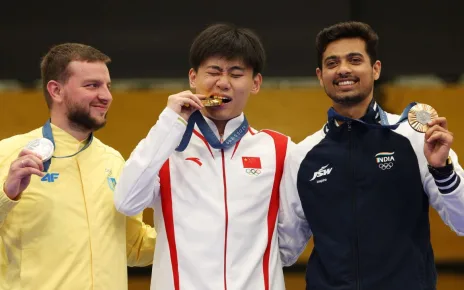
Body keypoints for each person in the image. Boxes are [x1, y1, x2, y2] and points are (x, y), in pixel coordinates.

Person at [279, 21, 464, 290]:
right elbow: (285, 249)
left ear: (375, 69)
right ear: (320, 76)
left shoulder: (416, 139)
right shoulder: (302, 155)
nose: (343, 69)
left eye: (354, 60)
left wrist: (443, 172)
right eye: (332, 63)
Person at [114, 23, 295, 290]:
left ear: (255, 83)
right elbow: (126, 202)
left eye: (236, 73)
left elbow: (291, 240)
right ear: (192, 78)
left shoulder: (279, 149)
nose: (222, 83)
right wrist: (168, 123)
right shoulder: (165, 147)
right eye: (213, 71)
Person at [0, 43, 156, 290]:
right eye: (92, 85)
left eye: (108, 86)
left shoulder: (114, 161)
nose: (106, 96)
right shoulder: (7, 154)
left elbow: (133, 246)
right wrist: (7, 195)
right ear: (56, 90)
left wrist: (196, 234)